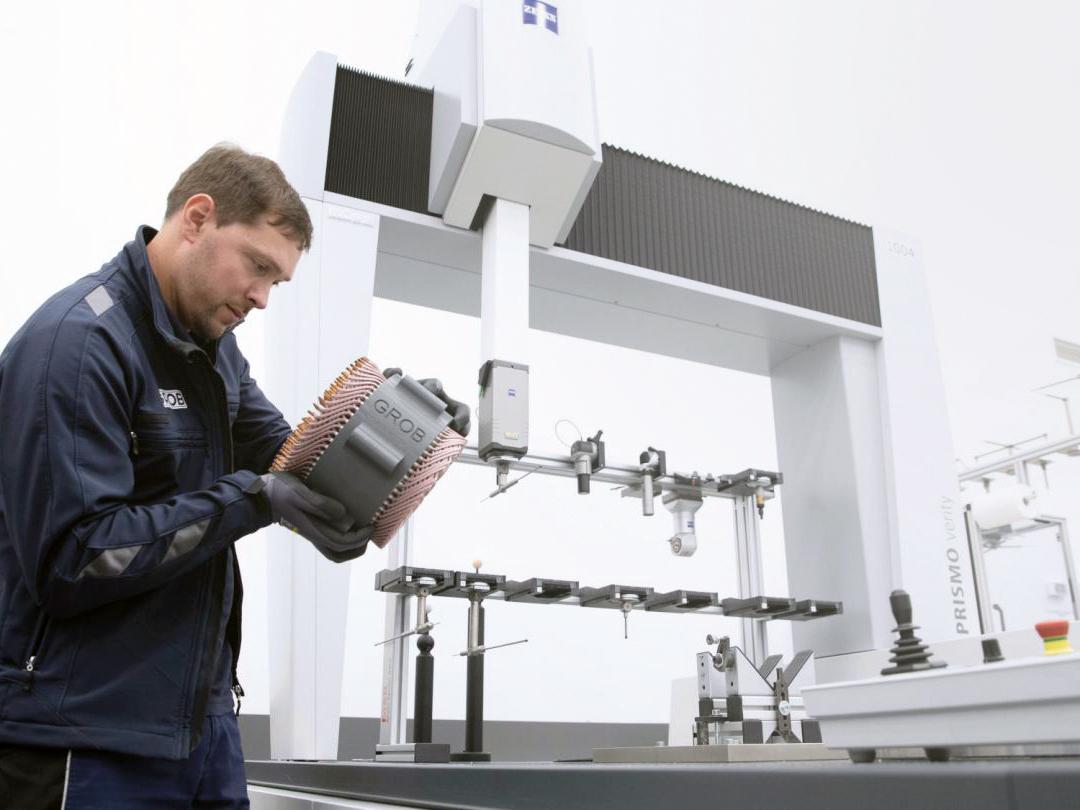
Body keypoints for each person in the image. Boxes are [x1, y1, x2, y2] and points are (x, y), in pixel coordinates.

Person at [0, 145, 376, 808]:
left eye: (276, 282)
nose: (261, 297)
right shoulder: (81, 345)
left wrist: (402, 422)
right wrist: (253, 499)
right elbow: (75, 556)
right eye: (257, 267)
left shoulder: (215, 357)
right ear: (196, 219)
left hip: (201, 732)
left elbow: (293, 460)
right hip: (85, 738)